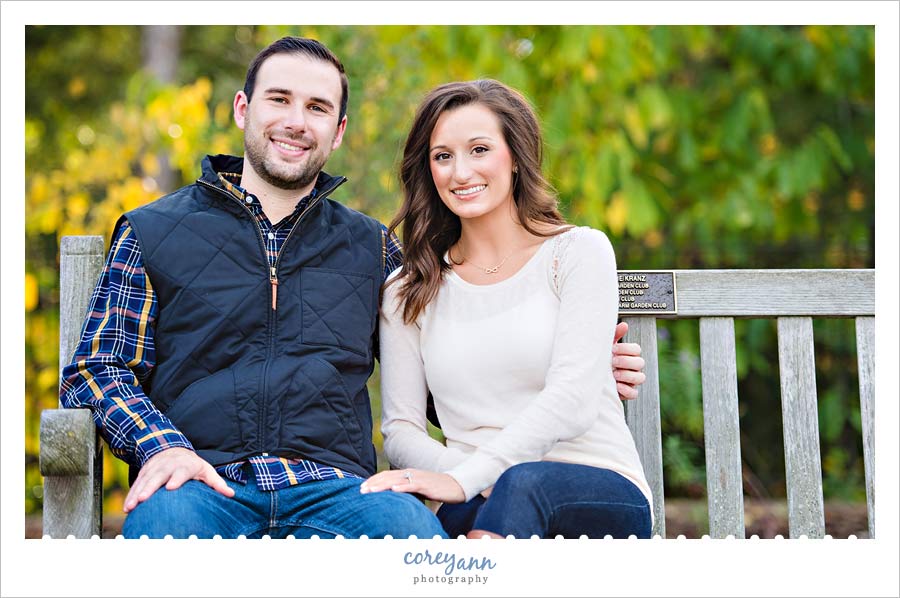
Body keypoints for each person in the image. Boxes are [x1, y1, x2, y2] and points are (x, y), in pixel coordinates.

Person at [59, 37, 645, 539]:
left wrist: (587, 365)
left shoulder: (375, 252)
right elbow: (97, 370)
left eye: (317, 107)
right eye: (279, 99)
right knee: (163, 537)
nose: (296, 120)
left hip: (341, 490)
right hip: (202, 478)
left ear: (338, 131)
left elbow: (447, 379)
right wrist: (162, 447)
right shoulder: (153, 230)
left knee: (417, 542)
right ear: (242, 108)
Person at [361, 79, 653, 539]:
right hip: (479, 495)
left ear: (514, 157)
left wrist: (468, 478)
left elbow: (573, 402)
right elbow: (400, 430)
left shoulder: (577, 253)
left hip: (595, 486)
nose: (460, 173)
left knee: (521, 486)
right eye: (443, 156)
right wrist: (470, 476)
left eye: (479, 150)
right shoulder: (409, 289)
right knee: (452, 519)